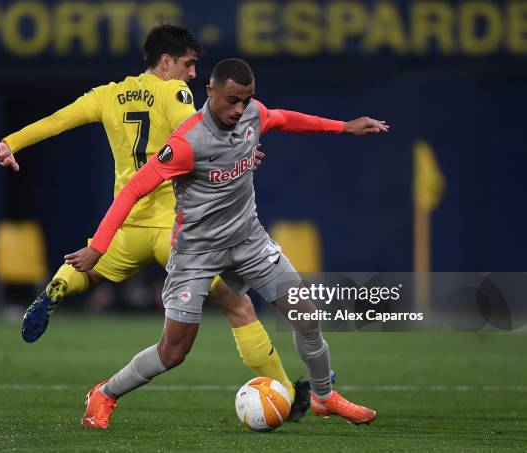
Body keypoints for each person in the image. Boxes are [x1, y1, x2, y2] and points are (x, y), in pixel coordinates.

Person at [0, 25, 310, 421]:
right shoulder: (173, 94)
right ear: (166, 62)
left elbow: (59, 120)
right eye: (189, 64)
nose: (193, 74)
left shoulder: (107, 94)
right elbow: (195, 131)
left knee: (91, 271)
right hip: (174, 229)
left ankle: (57, 286)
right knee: (239, 305)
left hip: (127, 226)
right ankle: (287, 393)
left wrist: (12, 142)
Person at [67, 58, 389, 429]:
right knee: (174, 352)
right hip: (197, 254)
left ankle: (323, 395)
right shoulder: (187, 142)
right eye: (233, 100)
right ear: (210, 93)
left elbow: (283, 118)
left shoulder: (252, 114)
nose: (240, 109)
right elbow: (135, 188)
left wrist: (344, 127)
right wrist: (100, 246)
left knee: (306, 315)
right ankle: (104, 393)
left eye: (247, 99)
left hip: (248, 241)